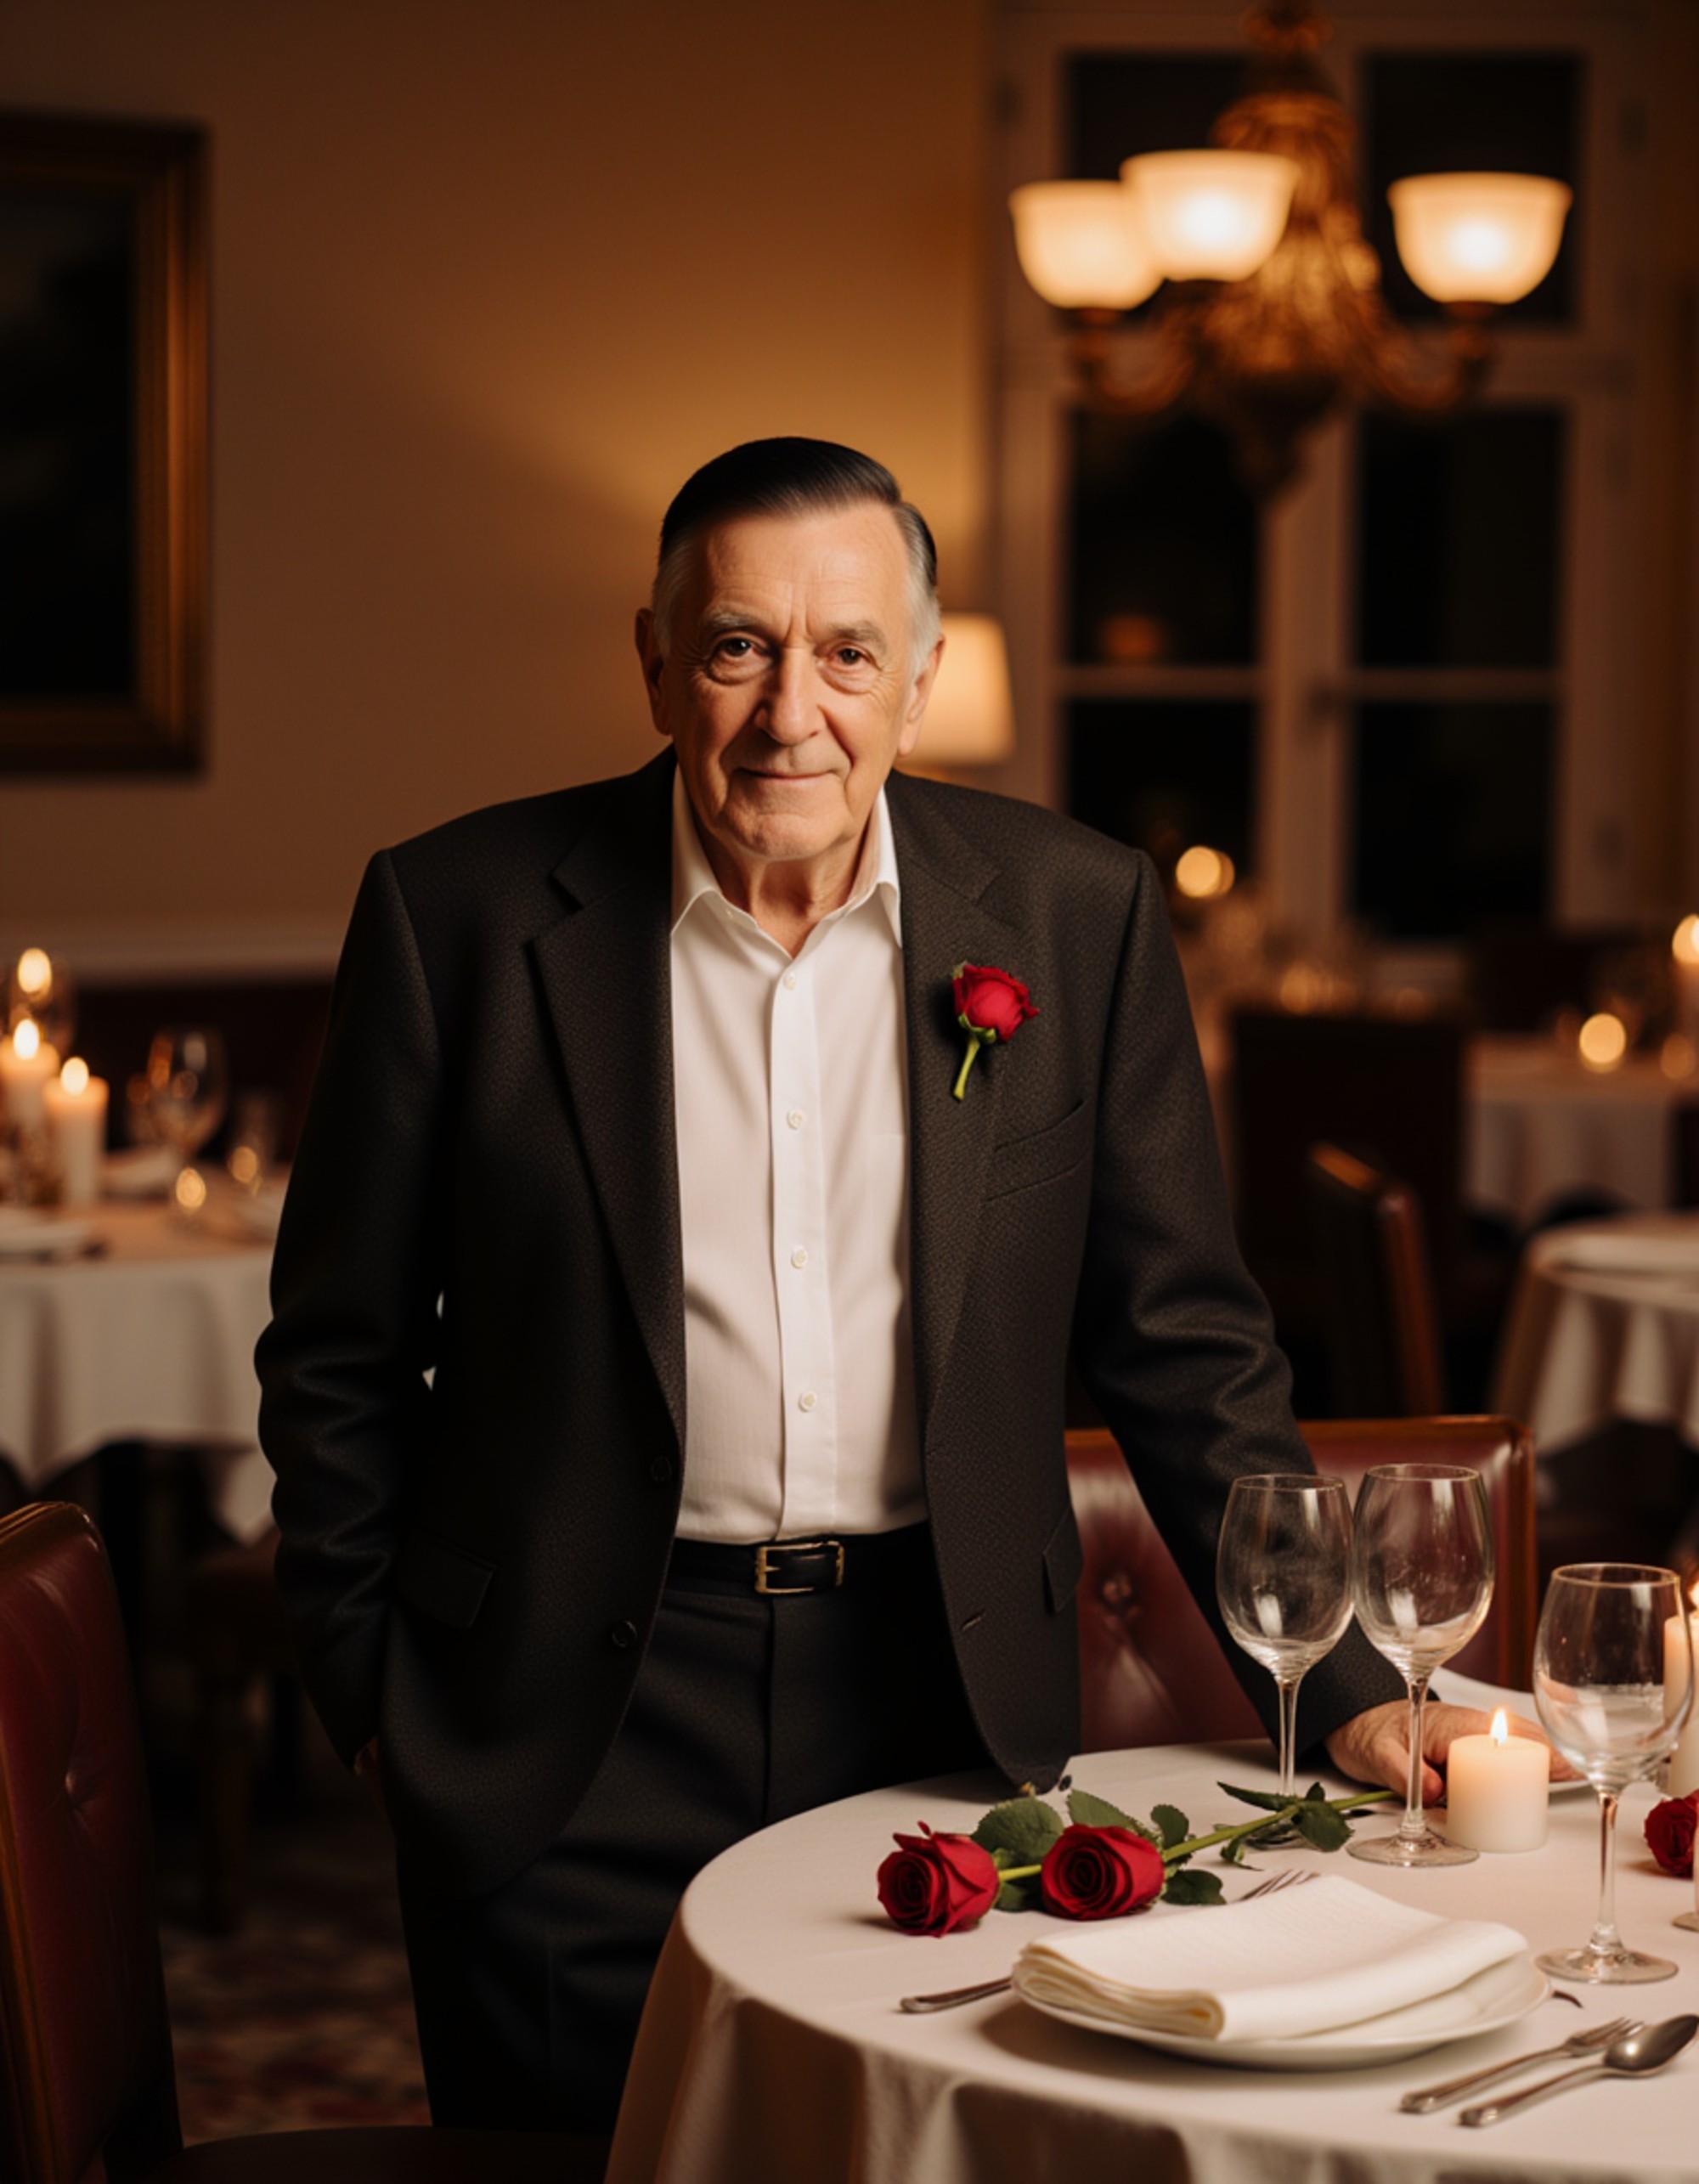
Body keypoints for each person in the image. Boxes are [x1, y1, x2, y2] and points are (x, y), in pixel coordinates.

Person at [257, 437, 1518, 2144]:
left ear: (917, 680)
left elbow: (1189, 1354)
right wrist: (374, 1693)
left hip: (939, 1702)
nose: (793, 710)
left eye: (848, 651)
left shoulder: (1075, 917)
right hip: (564, 1727)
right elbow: (337, 1353)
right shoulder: (454, 915)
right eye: (735, 646)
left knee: (926, 2158)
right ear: (653, 661)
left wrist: (1359, 1683)